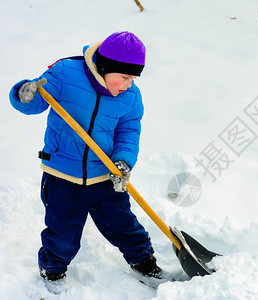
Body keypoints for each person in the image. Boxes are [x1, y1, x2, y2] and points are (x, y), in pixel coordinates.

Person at [9, 31, 162, 284]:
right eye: (124, 77)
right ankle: (53, 270)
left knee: (124, 224)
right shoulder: (64, 73)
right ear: (105, 67)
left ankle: (144, 262)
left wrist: (123, 161)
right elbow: (35, 100)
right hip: (62, 175)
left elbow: (128, 132)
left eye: (133, 78)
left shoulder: (131, 97)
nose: (128, 84)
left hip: (104, 174)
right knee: (62, 232)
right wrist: (25, 94)